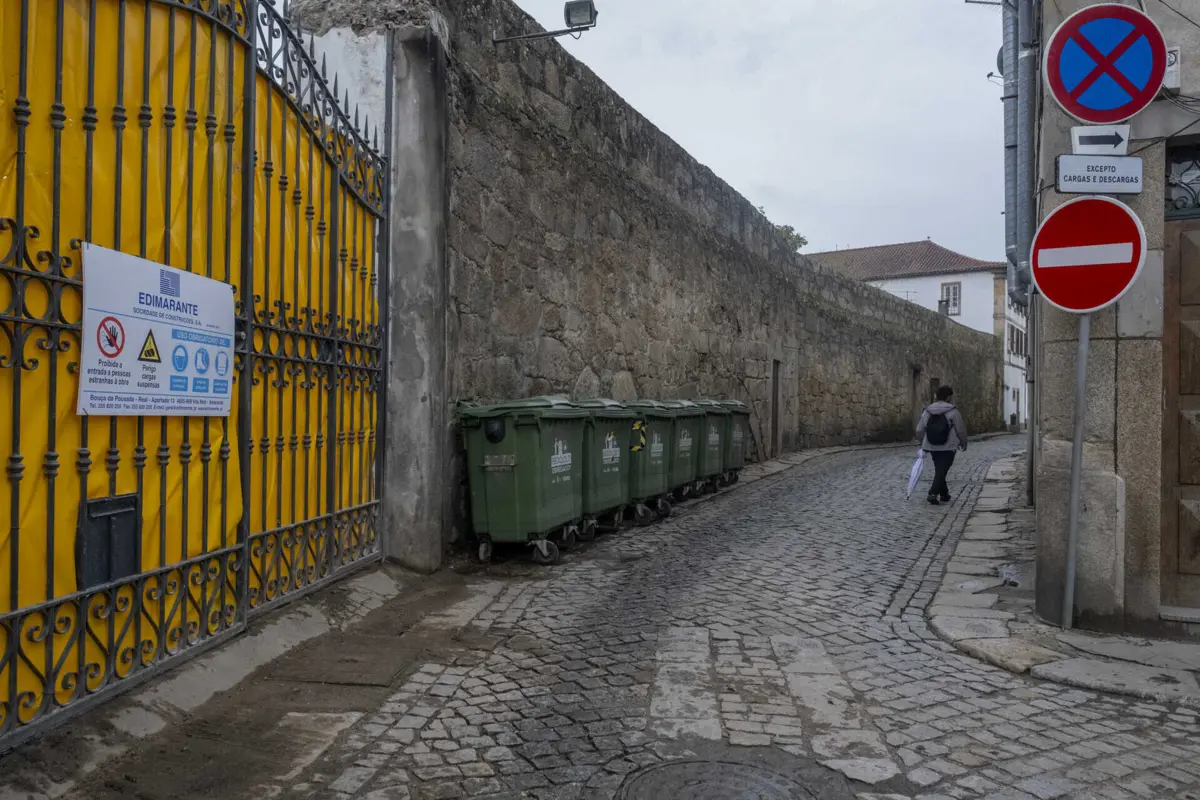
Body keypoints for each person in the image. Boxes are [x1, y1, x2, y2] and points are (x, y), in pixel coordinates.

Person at [915, 385, 968, 505]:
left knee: (940, 468)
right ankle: (932, 493)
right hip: (949, 446)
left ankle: (944, 494)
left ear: (936, 396)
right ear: (949, 397)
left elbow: (919, 430)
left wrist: (923, 441)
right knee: (942, 470)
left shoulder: (927, 411)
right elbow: (960, 430)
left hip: (932, 445)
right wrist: (963, 443)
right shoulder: (953, 411)